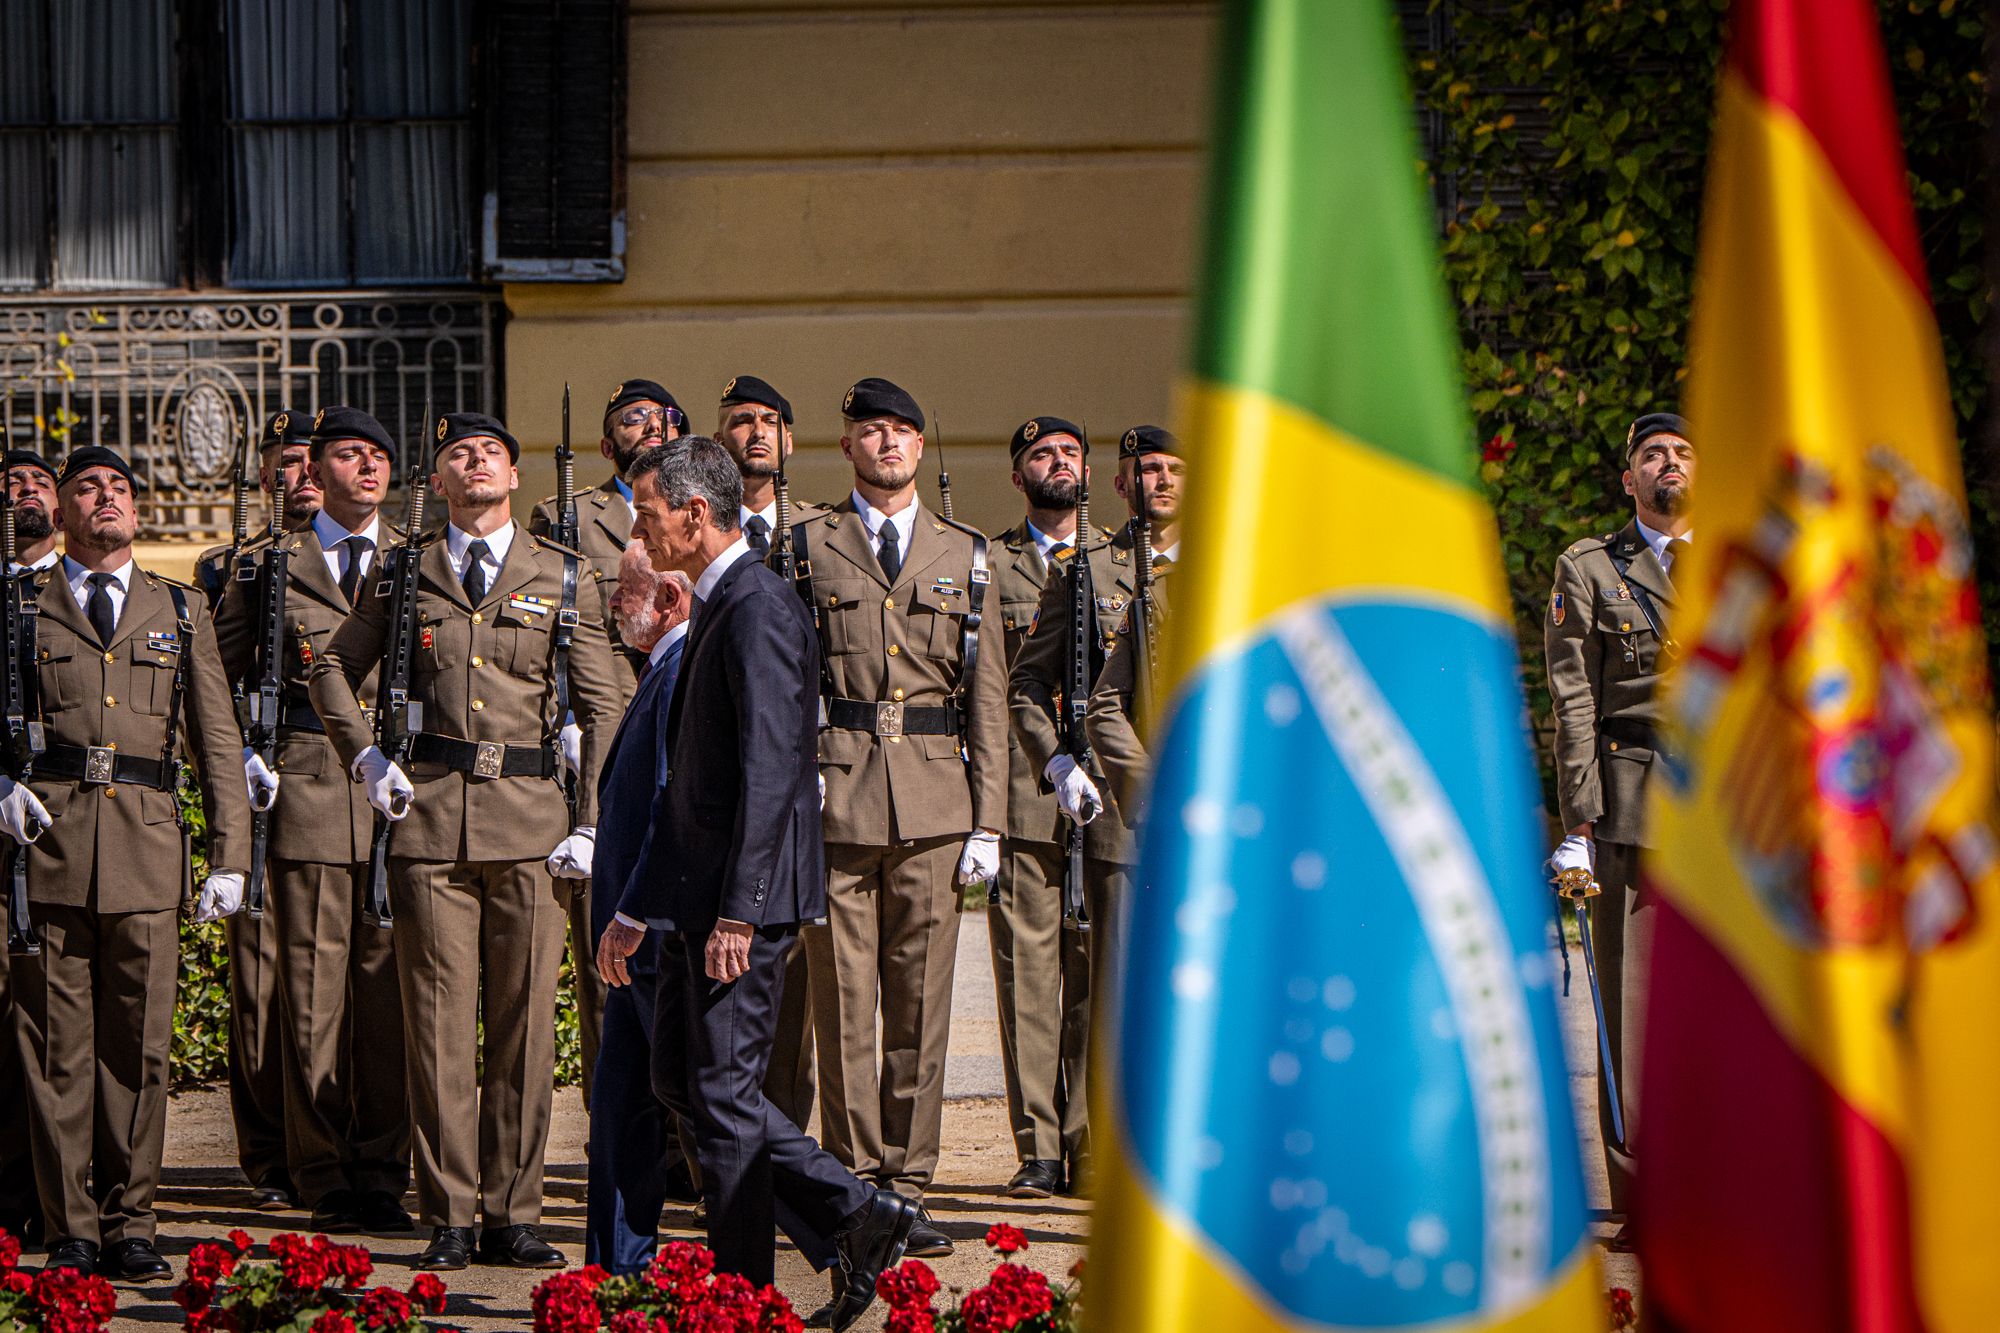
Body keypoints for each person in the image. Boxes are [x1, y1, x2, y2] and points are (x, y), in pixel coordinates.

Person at [597, 438, 918, 1333]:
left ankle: (742, 1303)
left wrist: (739, 912)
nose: (638, 532)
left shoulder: (759, 606)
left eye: (648, 514)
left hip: (743, 908)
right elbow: (689, 789)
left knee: (725, 1102)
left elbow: (773, 772)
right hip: (692, 901)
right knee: (680, 1078)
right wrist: (635, 907)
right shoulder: (717, 602)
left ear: (695, 514)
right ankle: (855, 1211)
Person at [310, 412, 621, 1272]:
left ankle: (513, 1213)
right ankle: (448, 1212)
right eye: (457, 453)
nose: (476, 461)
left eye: (491, 451)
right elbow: (330, 668)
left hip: (532, 827)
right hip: (433, 825)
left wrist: (593, 818)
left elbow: (606, 705)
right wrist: (366, 756)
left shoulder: (564, 574)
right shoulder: (404, 570)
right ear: (438, 481)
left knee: (524, 1027)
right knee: (439, 1026)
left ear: (514, 476)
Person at [7, 447, 252, 1280]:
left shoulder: (180, 608)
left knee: (140, 1050)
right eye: (86, 487)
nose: (105, 497)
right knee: (55, 1052)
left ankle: (131, 1221)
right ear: (62, 511)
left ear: (137, 511)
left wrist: (231, 854)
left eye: (118, 487)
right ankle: (70, 1225)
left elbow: (216, 738)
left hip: (147, 853)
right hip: (50, 850)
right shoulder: (21, 605)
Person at [791, 378, 1007, 1260]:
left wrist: (989, 820)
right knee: (843, 1006)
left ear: (920, 447)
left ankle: (908, 1188)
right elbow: (785, 676)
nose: (886, 443)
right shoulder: (806, 547)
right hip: (836, 797)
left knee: (920, 1006)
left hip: (933, 801)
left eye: (901, 431)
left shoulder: (968, 552)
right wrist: (793, 779)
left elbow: (987, 698)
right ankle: (852, 1189)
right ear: (847, 446)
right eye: (871, 430)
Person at [212, 406, 411, 1235]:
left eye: (378, 456)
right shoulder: (267, 568)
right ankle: (321, 1168)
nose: (367, 467)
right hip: (305, 786)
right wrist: (238, 759)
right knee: (311, 993)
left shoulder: (419, 558)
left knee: (388, 996)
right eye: (349, 455)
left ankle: (384, 1169)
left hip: (401, 794)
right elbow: (212, 681)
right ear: (315, 471)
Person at [998, 417, 1162, 1199]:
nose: (1059, 463)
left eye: (1070, 452)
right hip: (1036, 785)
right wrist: (1050, 762)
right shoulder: (998, 560)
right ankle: (1039, 1147)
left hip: (1117, 796)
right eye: (1042, 454)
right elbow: (1007, 682)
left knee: (1101, 974)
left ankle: (1093, 1140)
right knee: (1032, 975)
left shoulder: (1128, 562)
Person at [1544, 410, 1694, 1248]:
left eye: (1681, 452)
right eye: (1652, 454)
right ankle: (1645, 1196)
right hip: (1635, 799)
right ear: (1628, 478)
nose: (1669, 463)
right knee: (1631, 1010)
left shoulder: (1739, 558)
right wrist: (1579, 816)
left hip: (1727, 814)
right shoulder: (1592, 566)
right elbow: (1574, 697)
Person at [530, 377, 684, 1112]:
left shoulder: (698, 511)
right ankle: (614, 1127)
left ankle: (682, 1138)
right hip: (600, 741)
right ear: (605, 442)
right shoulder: (566, 515)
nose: (648, 426)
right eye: (631, 418)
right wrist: (563, 714)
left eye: (661, 416)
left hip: (678, 722)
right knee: (608, 955)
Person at [193, 408, 320, 1214]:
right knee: (261, 980)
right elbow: (212, 680)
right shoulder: (230, 567)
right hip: (269, 778)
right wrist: (240, 754)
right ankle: (269, 1154)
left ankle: (344, 1145)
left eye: (310, 460)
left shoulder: (385, 558)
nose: (298, 476)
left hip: (354, 784)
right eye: (284, 464)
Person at [716, 372, 824, 1131]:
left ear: (791, 440)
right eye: (741, 419)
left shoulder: (822, 533)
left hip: (812, 769)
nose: (757, 432)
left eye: (771, 420)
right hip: (724, 771)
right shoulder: (700, 530)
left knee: (796, 975)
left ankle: (782, 1132)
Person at [584, 541, 693, 1273]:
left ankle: (846, 1213)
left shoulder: (680, 671)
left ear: (670, 600)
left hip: (650, 936)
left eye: (627, 591)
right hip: (632, 944)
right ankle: (617, 1270)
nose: (615, 604)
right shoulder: (657, 669)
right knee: (620, 1110)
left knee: (707, 1108)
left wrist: (633, 914)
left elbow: (666, 804)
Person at [0, 450, 58, 1247]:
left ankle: (52, 1192)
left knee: (49, 1017)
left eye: (40, 482)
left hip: (61, 831)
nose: (24, 493)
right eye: (9, 483)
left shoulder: (83, 591)